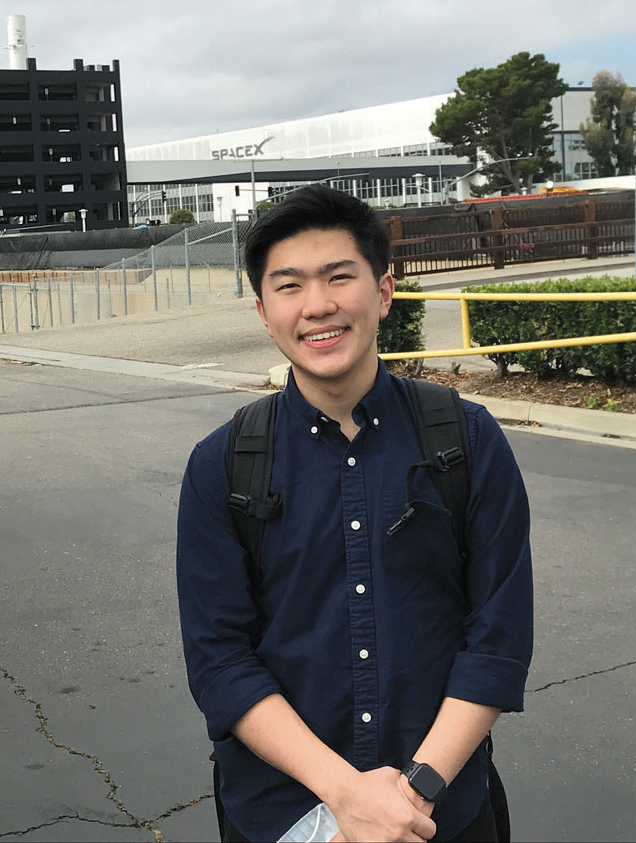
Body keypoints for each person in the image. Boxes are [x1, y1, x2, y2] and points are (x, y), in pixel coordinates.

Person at [176, 185, 533, 842]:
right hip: (285, 817)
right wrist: (349, 798)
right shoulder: (220, 466)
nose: (318, 305)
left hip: (443, 812)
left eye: (340, 276)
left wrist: (414, 792)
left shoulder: (468, 440)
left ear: (385, 291)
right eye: (289, 285)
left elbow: (498, 643)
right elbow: (221, 661)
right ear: (263, 309)